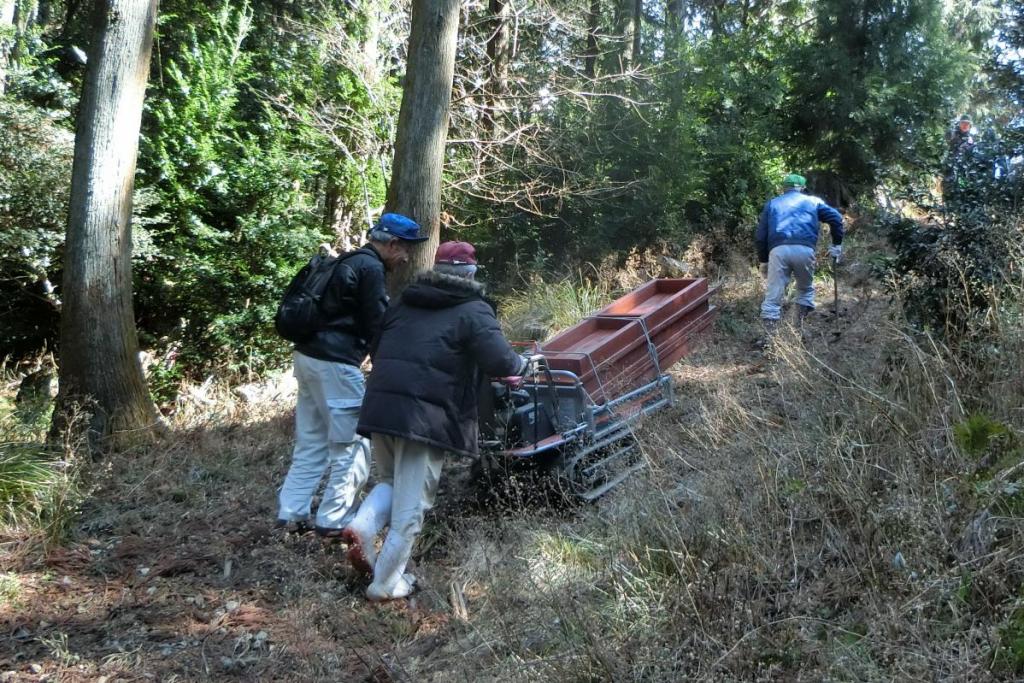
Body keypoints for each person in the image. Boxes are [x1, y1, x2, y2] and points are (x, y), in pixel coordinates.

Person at [342, 241, 527, 601]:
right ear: (471, 273)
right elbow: (502, 362)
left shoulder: (404, 301)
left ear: (436, 270)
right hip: (423, 419)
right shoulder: (473, 309)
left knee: (392, 480)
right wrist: (522, 367)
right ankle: (385, 585)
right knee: (411, 509)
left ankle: (363, 524)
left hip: (381, 407)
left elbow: (378, 348)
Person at [275, 213, 428, 537]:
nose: (406, 258)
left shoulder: (347, 261)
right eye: (406, 250)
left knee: (311, 442)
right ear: (392, 243)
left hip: (307, 358)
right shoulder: (371, 268)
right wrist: (391, 368)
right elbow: (376, 324)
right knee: (353, 446)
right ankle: (334, 519)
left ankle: (291, 513)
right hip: (337, 365)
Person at [754, 173, 844, 341]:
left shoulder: (772, 204)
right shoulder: (813, 202)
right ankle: (797, 329)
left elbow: (760, 236)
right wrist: (837, 244)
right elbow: (836, 218)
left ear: (783, 188)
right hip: (805, 249)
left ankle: (769, 339)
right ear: (802, 188)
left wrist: (763, 260)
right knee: (804, 289)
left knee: (774, 294)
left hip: (778, 250)